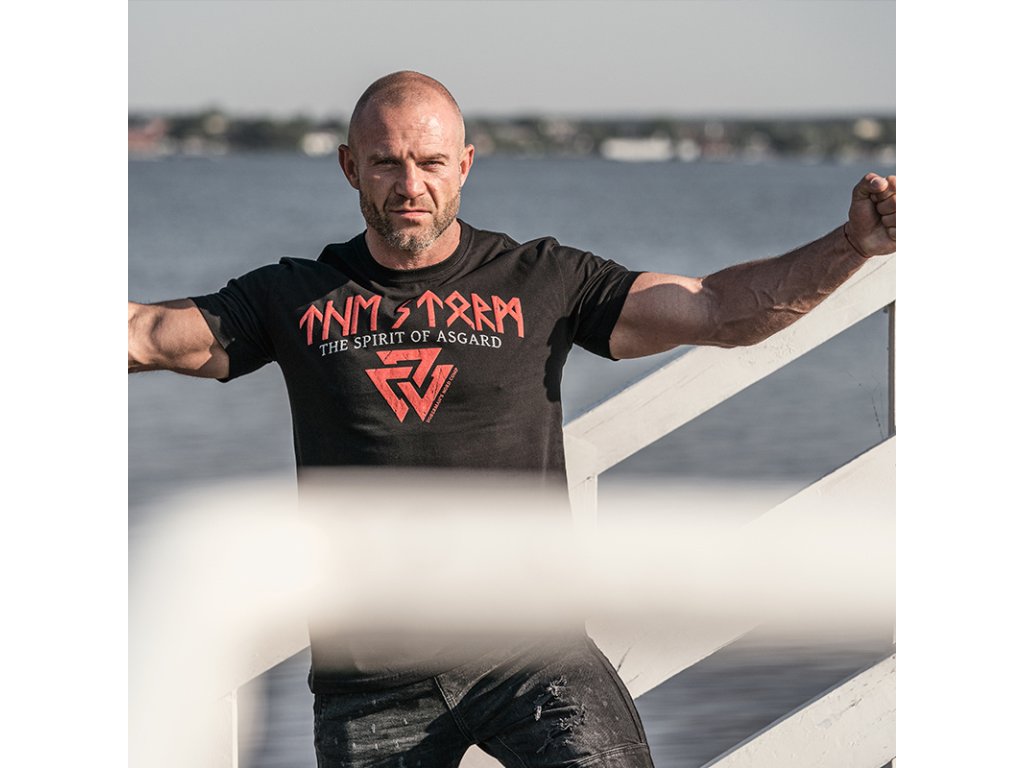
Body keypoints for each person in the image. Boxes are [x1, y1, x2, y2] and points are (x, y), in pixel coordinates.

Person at [128, 71, 896, 768]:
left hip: (530, 650)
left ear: (464, 165)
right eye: (387, 162)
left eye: (431, 162)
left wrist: (852, 244)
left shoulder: (541, 280)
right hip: (369, 677)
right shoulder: (292, 296)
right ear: (350, 166)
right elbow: (149, 335)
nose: (410, 185)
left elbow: (719, 309)